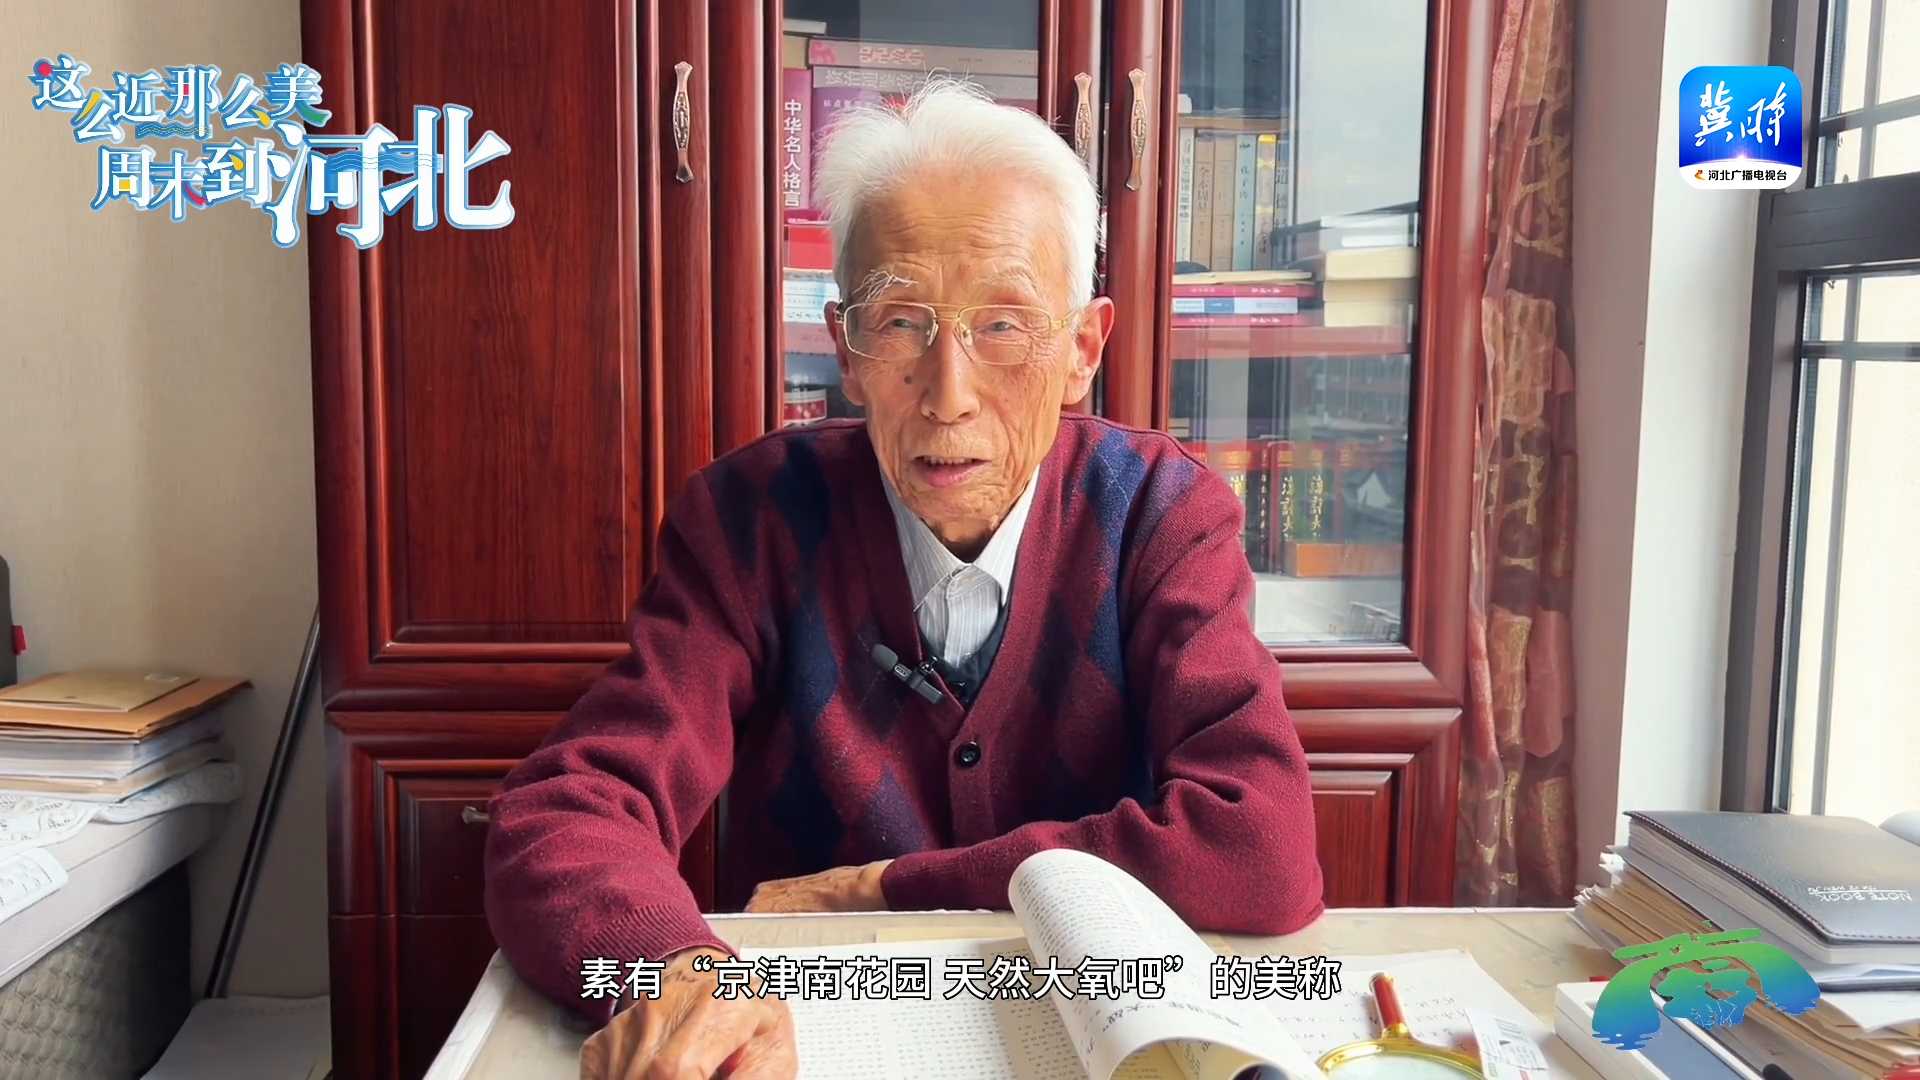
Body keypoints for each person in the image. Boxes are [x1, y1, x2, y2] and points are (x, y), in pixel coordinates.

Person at [483, 80, 1323, 1079]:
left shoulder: (1158, 512)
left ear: (1081, 349)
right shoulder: (752, 519)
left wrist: (883, 887)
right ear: (844, 347)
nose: (948, 395)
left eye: (1003, 325)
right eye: (899, 324)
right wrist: (676, 970)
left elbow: (1259, 847)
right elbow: (568, 808)